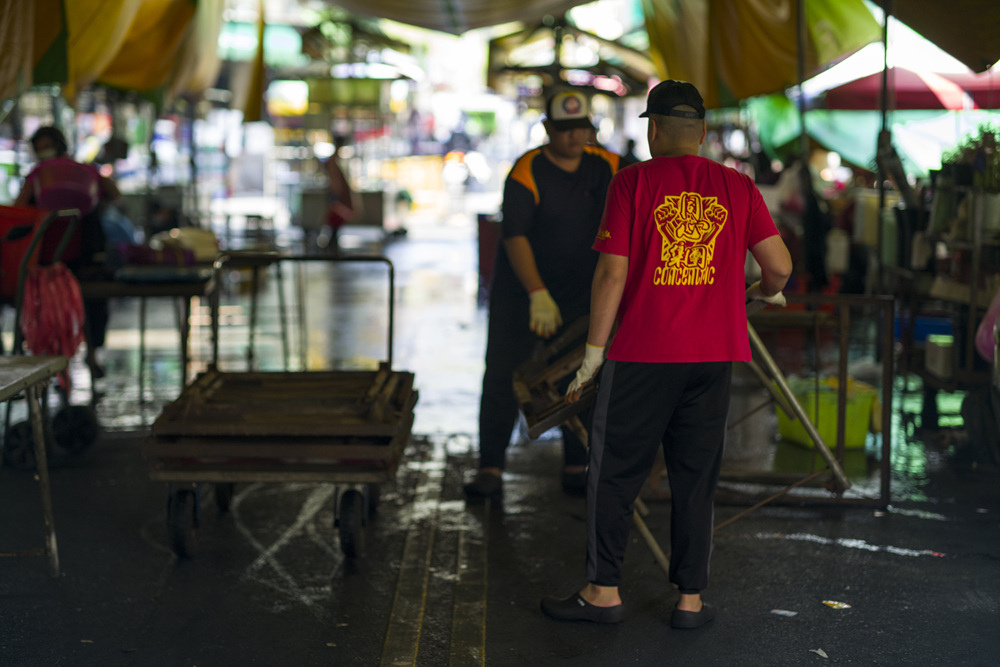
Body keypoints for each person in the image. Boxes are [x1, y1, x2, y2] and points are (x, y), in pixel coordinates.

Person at [539, 80, 792, 628]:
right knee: (695, 476)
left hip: (642, 356)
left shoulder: (633, 183)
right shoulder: (738, 187)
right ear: (701, 133)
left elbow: (611, 273)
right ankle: (689, 601)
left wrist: (592, 355)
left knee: (615, 475)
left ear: (652, 129)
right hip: (711, 358)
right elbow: (780, 269)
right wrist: (760, 291)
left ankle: (604, 591)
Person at [463, 90, 621, 501]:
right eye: (564, 129)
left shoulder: (609, 165)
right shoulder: (527, 169)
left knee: (580, 374)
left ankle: (575, 463)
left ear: (591, 128)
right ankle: (491, 467)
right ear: (548, 129)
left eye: (580, 128)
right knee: (502, 375)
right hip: (521, 293)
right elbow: (513, 235)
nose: (573, 137)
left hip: (580, 295)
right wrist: (537, 292)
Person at [15, 126, 120, 379]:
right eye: (39, 148)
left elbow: (113, 193)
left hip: (81, 256)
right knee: (48, 310)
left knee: (93, 305)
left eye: (46, 146)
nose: (43, 152)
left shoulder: (81, 172)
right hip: (48, 258)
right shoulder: (38, 176)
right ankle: (48, 362)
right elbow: (20, 207)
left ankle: (91, 355)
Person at [317, 135, 357, 251]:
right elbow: (334, 179)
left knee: (336, 219)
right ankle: (331, 241)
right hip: (336, 193)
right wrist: (337, 192)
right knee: (335, 218)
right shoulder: (333, 160)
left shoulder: (334, 159)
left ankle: (332, 240)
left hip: (336, 192)